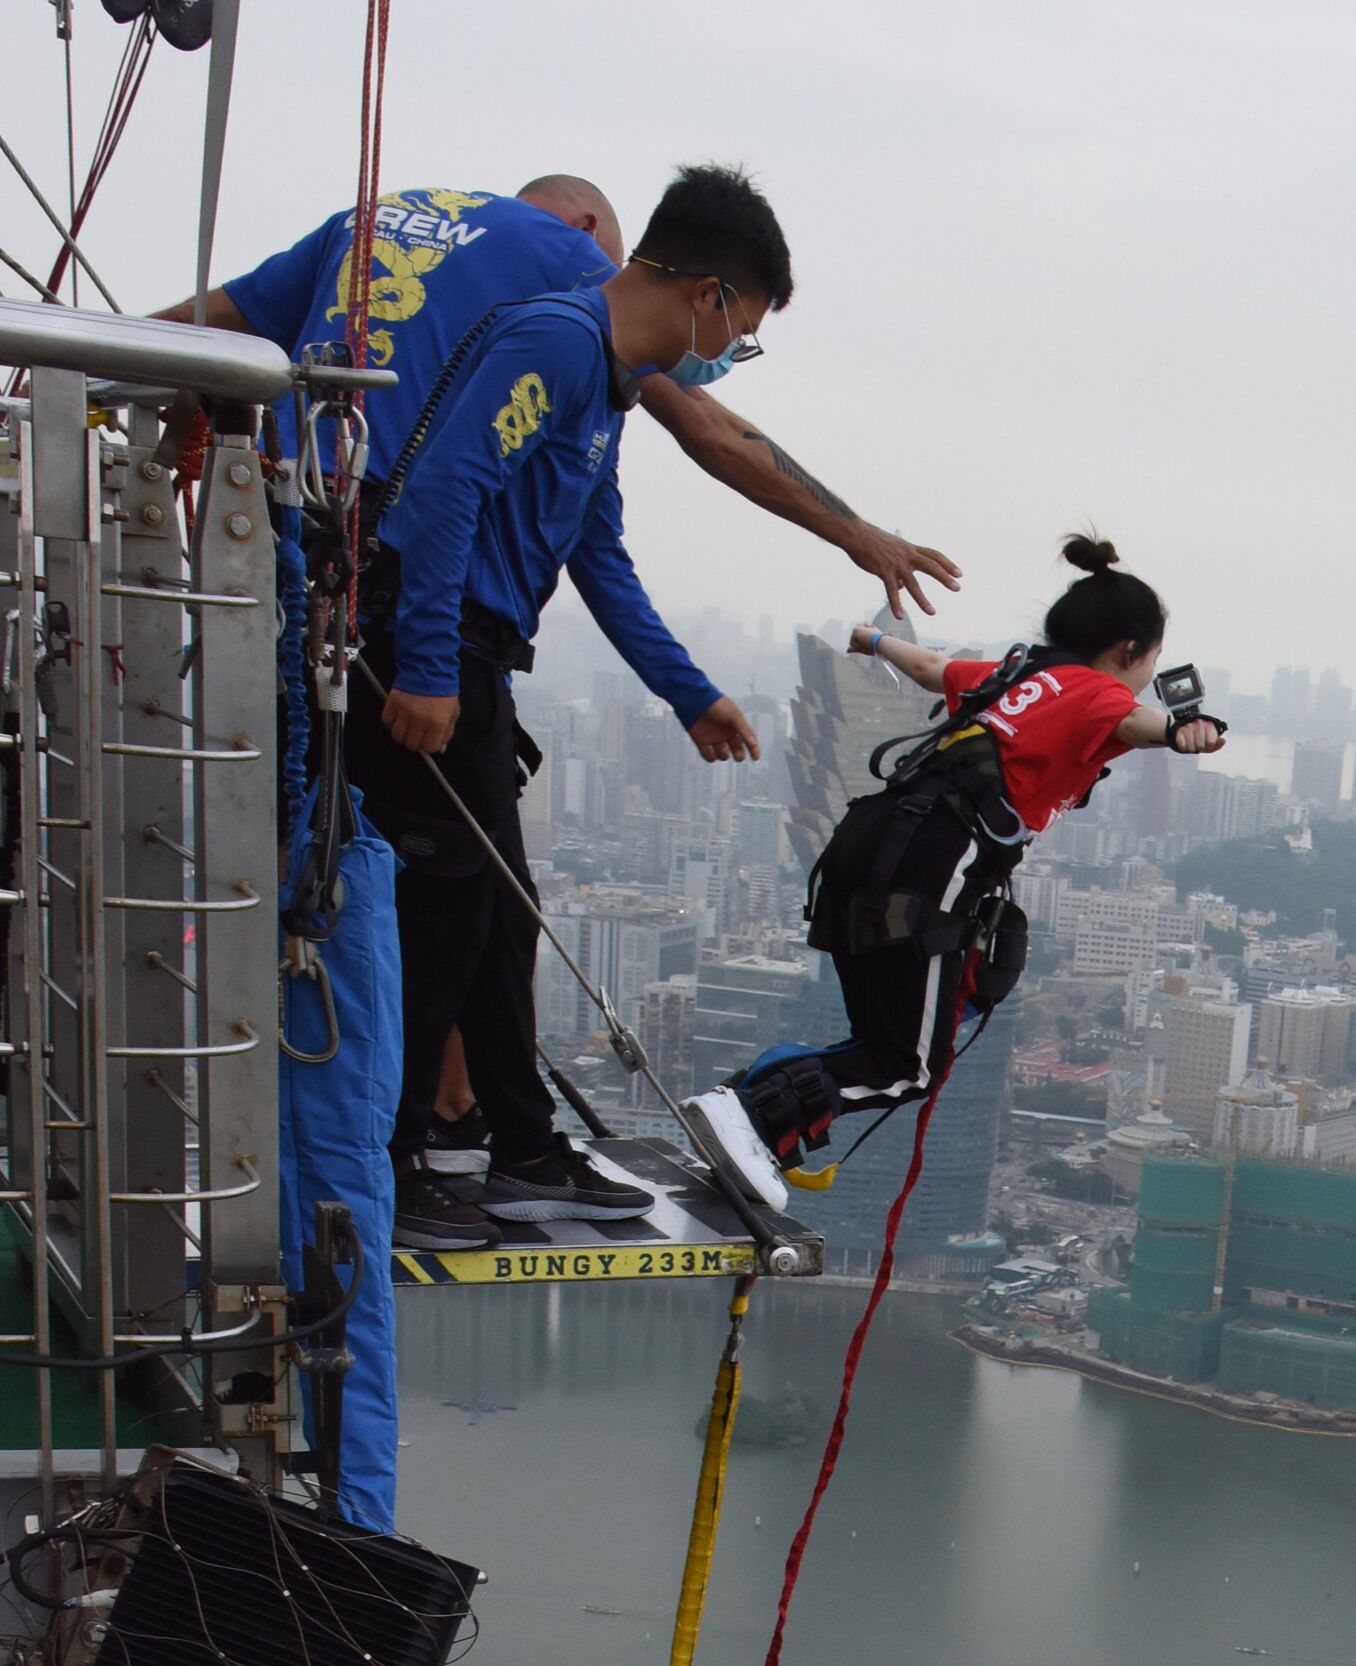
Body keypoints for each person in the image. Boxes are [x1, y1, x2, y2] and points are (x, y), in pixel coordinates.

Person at [354, 164, 783, 1250]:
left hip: (477, 654)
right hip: (431, 637)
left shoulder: (607, 388)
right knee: (445, 910)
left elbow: (599, 558)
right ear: (707, 295)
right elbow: (444, 488)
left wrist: (692, 693)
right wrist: (428, 668)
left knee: (502, 913)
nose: (729, 355)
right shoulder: (554, 341)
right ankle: (391, 1163)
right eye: (743, 328)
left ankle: (523, 1152)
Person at [157, 174, 959, 617]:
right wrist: (856, 533)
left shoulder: (379, 214)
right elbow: (710, 429)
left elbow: (201, 324)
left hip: (265, 532)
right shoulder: (573, 271)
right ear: (584, 227)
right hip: (375, 571)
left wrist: (57, 351)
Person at [725, 534, 1224, 1178]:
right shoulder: (1099, 694)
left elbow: (933, 668)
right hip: (927, 875)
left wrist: (871, 640)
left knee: (884, 1042)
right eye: (1150, 662)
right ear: (1129, 652)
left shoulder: (1016, 674)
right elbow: (1134, 722)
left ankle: (749, 1110)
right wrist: (1181, 732)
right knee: (910, 1068)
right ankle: (746, 1119)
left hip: (862, 851)